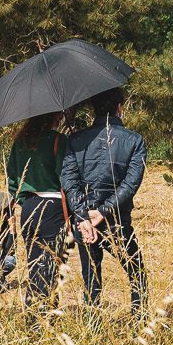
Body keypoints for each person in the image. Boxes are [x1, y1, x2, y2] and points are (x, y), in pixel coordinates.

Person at [62, 88, 149, 316]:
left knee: (91, 279)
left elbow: (69, 182)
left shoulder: (76, 139)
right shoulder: (134, 140)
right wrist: (103, 211)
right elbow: (130, 184)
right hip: (116, 220)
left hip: (84, 223)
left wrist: (83, 216)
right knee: (136, 272)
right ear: (119, 108)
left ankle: (92, 325)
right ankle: (140, 323)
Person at [5, 110, 72, 311]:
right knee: (54, 267)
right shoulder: (58, 140)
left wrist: (23, 200)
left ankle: (33, 313)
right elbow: (66, 178)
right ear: (53, 115)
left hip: (28, 207)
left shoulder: (20, 142)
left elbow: (12, 180)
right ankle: (47, 315)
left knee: (34, 266)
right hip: (53, 206)